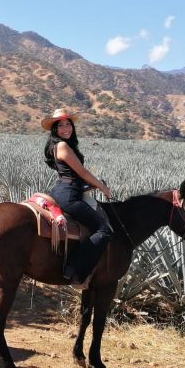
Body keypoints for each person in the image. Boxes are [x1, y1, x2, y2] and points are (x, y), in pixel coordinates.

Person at [42, 108, 114, 289]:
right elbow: (82, 172)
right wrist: (101, 186)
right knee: (104, 230)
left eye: (68, 124)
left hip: (62, 190)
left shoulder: (58, 145)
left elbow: (74, 175)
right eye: (61, 125)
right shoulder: (62, 146)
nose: (66, 128)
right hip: (70, 196)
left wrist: (90, 185)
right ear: (54, 129)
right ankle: (75, 271)